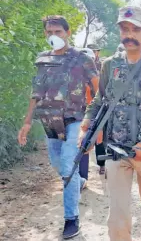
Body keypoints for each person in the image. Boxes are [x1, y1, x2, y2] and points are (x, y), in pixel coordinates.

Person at [81, 5, 141, 241]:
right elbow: (99, 99)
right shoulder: (109, 66)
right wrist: (86, 124)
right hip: (117, 150)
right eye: (125, 29)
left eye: (135, 29)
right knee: (118, 214)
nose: (129, 35)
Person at [17, 15, 99, 239]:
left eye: (58, 32)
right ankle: (79, 181)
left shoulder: (81, 58)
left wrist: (95, 121)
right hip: (49, 122)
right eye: (49, 32)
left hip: (75, 120)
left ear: (68, 32)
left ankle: (71, 219)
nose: (53, 36)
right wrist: (26, 122)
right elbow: (36, 92)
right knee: (59, 165)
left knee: (67, 165)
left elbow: (98, 88)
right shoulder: (43, 59)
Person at [87, 43, 107, 175]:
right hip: (87, 104)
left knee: (101, 134)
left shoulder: (103, 65)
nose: (95, 53)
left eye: (96, 51)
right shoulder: (81, 66)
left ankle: (103, 164)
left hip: (101, 102)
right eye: (93, 51)